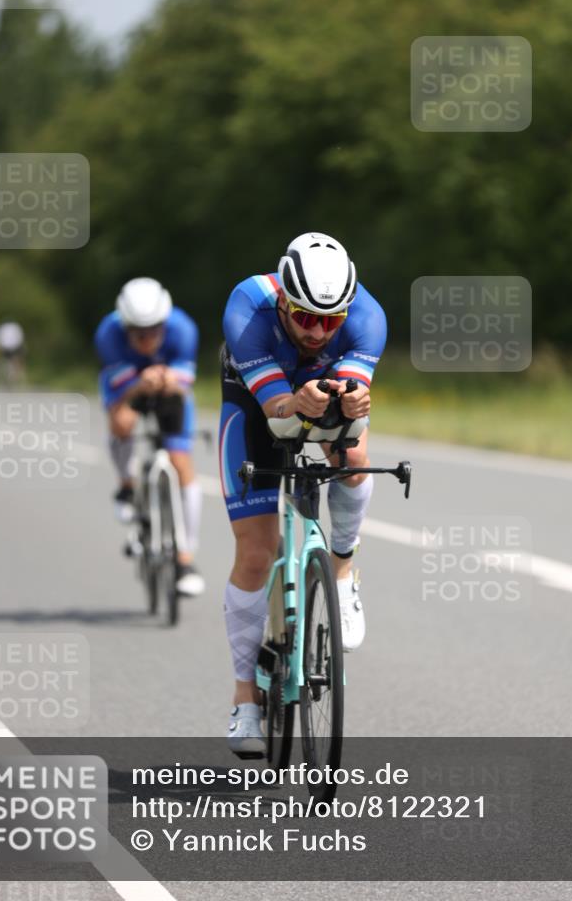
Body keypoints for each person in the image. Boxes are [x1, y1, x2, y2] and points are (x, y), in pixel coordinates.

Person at [219, 232, 387, 755]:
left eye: (330, 321)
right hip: (255, 402)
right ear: (284, 301)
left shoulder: (367, 317)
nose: (317, 332)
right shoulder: (248, 308)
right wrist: (294, 402)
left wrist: (352, 403)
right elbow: (277, 415)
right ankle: (245, 700)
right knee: (255, 553)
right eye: (305, 317)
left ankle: (342, 572)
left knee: (353, 458)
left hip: (320, 390)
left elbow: (351, 404)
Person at [94, 277, 204, 597]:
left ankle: (185, 558)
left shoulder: (183, 329)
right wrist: (139, 386)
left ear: (165, 323)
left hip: (169, 388)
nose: (148, 339)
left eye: (155, 330)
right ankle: (126, 486)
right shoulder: (108, 334)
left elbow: (184, 384)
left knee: (181, 461)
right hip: (128, 385)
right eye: (139, 333)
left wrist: (169, 381)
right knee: (122, 424)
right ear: (125, 327)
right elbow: (118, 390)